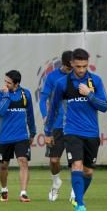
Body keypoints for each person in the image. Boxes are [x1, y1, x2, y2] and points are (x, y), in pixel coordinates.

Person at [42, 48, 107, 211]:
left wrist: (89, 95)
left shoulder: (96, 81)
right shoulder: (62, 83)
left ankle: (77, 195)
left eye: (84, 66)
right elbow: (54, 109)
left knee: (88, 171)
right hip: (71, 131)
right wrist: (48, 132)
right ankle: (80, 204)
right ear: (71, 64)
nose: (81, 70)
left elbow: (104, 106)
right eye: (78, 66)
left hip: (92, 133)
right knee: (76, 165)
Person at [0, 70, 36, 202]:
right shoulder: (0, 94)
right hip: (5, 136)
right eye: (5, 81)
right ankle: (4, 189)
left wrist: (32, 132)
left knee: (23, 162)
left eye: (9, 83)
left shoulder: (25, 94)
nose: (5, 84)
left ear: (17, 84)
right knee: (3, 166)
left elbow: (30, 114)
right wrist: (6, 95)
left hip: (21, 136)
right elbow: (0, 111)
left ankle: (23, 193)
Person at [38, 50, 73, 202]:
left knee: (76, 162)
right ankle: (56, 182)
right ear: (63, 65)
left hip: (74, 126)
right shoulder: (52, 77)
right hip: (56, 125)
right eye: (68, 68)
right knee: (53, 160)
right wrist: (46, 116)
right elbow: (43, 98)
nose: (70, 71)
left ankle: (75, 190)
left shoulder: (80, 77)